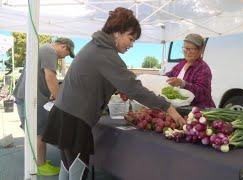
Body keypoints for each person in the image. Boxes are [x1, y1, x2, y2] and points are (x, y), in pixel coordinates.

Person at [41, 7, 186, 180]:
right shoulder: (105, 53)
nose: (132, 45)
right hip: (75, 119)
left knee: (68, 166)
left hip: (65, 113)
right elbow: (134, 88)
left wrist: (116, 87)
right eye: (131, 39)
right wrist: (167, 107)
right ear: (117, 32)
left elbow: (93, 78)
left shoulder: (95, 46)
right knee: (78, 170)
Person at [13, 38, 75, 176]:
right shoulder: (49, 51)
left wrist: (52, 93)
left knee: (35, 131)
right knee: (39, 132)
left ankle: (37, 162)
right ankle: (40, 165)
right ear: (64, 46)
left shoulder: (44, 49)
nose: (63, 57)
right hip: (31, 97)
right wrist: (60, 100)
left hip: (28, 96)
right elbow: (50, 77)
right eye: (66, 54)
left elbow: (45, 78)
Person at [165, 33, 215, 108]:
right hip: (182, 108)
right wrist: (155, 78)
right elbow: (168, 75)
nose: (187, 52)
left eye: (191, 49)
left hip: (198, 112)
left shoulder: (203, 68)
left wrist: (183, 83)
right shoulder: (181, 64)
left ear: (200, 50)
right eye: (185, 48)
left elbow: (202, 93)